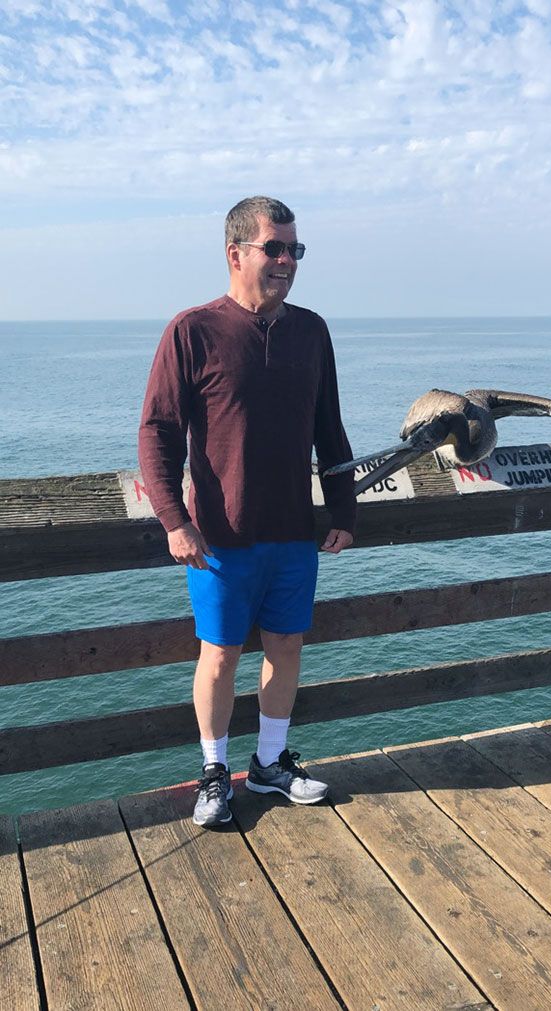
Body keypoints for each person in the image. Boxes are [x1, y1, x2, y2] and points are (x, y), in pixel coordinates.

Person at [138, 196, 356, 827]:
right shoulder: (192, 330)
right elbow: (157, 432)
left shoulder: (311, 331)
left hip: (295, 531)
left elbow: (329, 429)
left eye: (296, 250)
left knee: (286, 646)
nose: (287, 261)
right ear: (236, 254)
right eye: (275, 248)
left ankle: (268, 766)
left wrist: (341, 508)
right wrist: (175, 521)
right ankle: (214, 773)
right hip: (220, 537)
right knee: (221, 654)